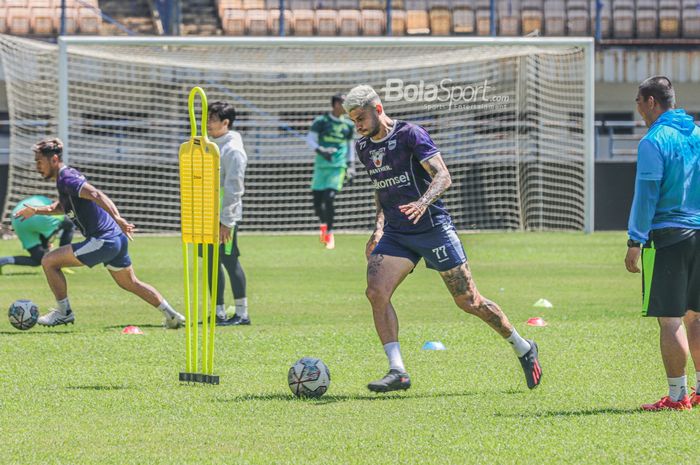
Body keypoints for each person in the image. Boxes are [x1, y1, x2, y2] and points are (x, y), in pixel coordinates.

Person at [343, 85, 542, 392]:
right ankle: (398, 370)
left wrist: (422, 203)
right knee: (376, 292)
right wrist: (379, 226)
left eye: (360, 117)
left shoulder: (411, 134)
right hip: (397, 233)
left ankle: (523, 347)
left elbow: (443, 175)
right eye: (353, 119)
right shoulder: (364, 148)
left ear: (378, 109)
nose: (357, 125)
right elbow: (382, 190)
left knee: (469, 301)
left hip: (433, 227)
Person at [14, 138, 185, 329]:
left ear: (54, 159)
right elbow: (63, 206)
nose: (37, 166)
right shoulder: (64, 180)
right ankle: (172, 316)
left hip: (104, 240)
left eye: (40, 161)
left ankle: (64, 313)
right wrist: (36, 211)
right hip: (115, 239)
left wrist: (118, 218)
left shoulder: (67, 178)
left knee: (49, 261)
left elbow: (96, 194)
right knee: (130, 283)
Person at [625, 76, 700, 411]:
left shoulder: (654, 140)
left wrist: (634, 241)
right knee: (696, 317)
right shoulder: (697, 133)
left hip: (670, 237)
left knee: (669, 320)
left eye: (639, 102)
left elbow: (647, 195)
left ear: (651, 101)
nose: (638, 110)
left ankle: (676, 396)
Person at [204, 101, 250, 326]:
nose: (208, 124)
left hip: (224, 217)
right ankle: (218, 311)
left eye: (212, 120)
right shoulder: (210, 144)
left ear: (226, 122)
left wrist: (227, 221)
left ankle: (242, 313)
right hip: (206, 214)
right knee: (210, 262)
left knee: (229, 260)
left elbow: (234, 188)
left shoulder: (233, 150)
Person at [306, 93, 356, 250]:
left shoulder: (348, 125)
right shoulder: (321, 121)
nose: (346, 107)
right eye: (344, 103)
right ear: (335, 104)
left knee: (329, 198)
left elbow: (350, 147)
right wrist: (321, 150)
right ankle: (323, 226)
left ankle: (330, 233)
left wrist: (351, 166)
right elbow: (310, 139)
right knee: (316, 203)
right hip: (321, 167)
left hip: (338, 166)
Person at [0, 195, 74, 274]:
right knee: (69, 224)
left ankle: (3, 261)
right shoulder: (50, 201)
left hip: (16, 218)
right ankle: (63, 259)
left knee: (39, 259)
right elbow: (53, 209)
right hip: (36, 215)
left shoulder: (40, 198)